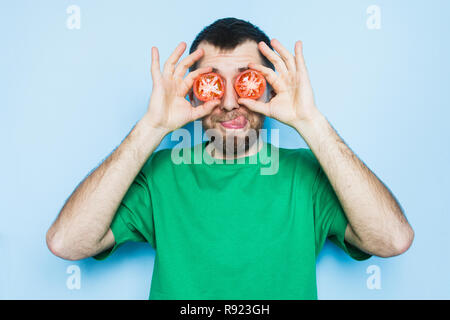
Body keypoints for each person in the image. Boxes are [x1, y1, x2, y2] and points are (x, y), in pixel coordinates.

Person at [46, 17, 414, 300]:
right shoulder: (161, 174)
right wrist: (151, 126)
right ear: (192, 94)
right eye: (211, 83)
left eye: (246, 80)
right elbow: (67, 243)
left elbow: (392, 240)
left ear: (269, 86)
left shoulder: (308, 175)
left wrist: (310, 121)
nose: (228, 102)